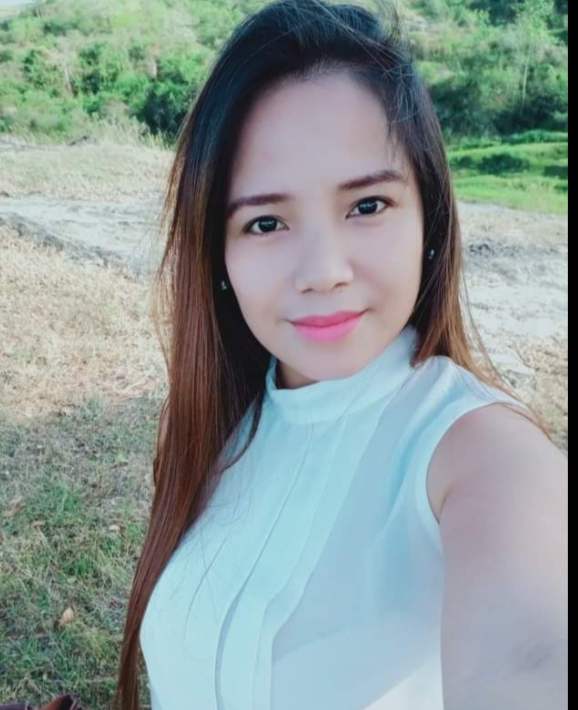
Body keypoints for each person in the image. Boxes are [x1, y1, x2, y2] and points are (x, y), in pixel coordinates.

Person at [114, 1, 568, 708]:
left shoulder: (485, 458)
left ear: (429, 218)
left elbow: (532, 660)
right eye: (267, 222)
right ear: (219, 255)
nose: (324, 271)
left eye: (367, 206)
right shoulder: (218, 423)